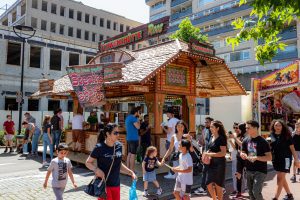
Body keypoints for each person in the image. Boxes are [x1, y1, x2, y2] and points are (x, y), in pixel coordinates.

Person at [85, 123, 136, 200]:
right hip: (104, 186)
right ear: (108, 134)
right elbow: (88, 162)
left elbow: (118, 163)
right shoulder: (99, 147)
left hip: (116, 184)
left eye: (118, 132)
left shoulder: (119, 146)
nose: (118, 135)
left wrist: (130, 172)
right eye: (115, 133)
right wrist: (96, 170)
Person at [240, 120, 272, 200]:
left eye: (248, 128)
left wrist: (257, 157)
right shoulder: (245, 140)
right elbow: (243, 151)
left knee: (256, 192)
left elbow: (269, 157)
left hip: (260, 171)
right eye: (246, 128)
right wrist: (242, 154)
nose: (246, 130)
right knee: (251, 194)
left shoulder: (263, 142)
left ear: (255, 128)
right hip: (249, 170)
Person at [269, 119, 299, 200]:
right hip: (276, 160)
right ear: (273, 126)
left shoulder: (287, 136)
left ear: (282, 126)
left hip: (286, 159)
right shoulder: (271, 135)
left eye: (279, 125)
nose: (277, 127)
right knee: (282, 178)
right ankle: (289, 195)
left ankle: (275, 198)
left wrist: (296, 160)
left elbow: (292, 149)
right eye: (276, 125)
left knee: (279, 179)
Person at [202, 120, 227, 200]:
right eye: (210, 126)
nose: (210, 128)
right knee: (208, 183)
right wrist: (207, 153)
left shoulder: (222, 138)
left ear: (217, 128)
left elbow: (223, 153)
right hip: (211, 163)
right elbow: (211, 148)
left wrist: (209, 154)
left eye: (212, 126)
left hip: (220, 164)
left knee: (218, 186)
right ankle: (214, 198)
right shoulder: (212, 136)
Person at [194, 116, 214, 195]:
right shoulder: (205, 130)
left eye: (207, 122)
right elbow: (204, 142)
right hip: (206, 154)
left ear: (211, 123)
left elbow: (211, 144)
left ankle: (204, 188)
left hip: (210, 155)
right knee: (206, 171)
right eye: (205, 122)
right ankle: (205, 187)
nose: (205, 123)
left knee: (207, 171)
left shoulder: (212, 131)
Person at [229, 123, 248, 198]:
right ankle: (239, 192)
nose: (237, 129)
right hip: (239, 157)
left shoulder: (247, 136)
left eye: (238, 128)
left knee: (248, 174)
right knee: (238, 174)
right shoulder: (239, 136)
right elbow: (236, 148)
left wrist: (234, 138)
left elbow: (242, 145)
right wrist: (231, 140)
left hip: (246, 158)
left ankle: (250, 189)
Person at [125, 107, 141, 172]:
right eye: (138, 112)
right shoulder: (133, 118)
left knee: (129, 154)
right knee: (133, 154)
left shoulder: (128, 117)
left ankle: (128, 169)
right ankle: (132, 170)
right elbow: (138, 127)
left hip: (129, 138)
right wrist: (139, 120)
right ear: (136, 112)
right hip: (134, 138)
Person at [228, 122, 238, 196]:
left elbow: (235, 147)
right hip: (234, 157)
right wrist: (230, 155)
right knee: (234, 173)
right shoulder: (233, 135)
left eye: (237, 127)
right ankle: (235, 189)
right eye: (234, 127)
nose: (235, 129)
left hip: (238, 157)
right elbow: (232, 149)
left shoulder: (237, 136)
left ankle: (238, 189)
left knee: (238, 173)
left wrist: (230, 140)